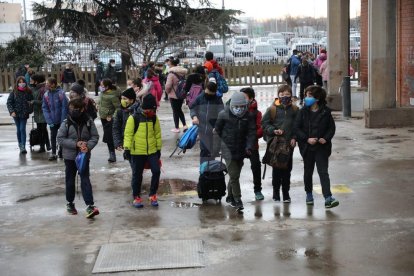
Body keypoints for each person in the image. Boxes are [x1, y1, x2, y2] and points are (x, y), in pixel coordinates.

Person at [293, 85, 339, 208]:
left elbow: (331, 128)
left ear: (317, 98)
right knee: (308, 172)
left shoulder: (325, 111)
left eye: (309, 96)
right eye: (306, 95)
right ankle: (309, 194)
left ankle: (328, 197)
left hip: (322, 148)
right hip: (307, 148)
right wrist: (307, 139)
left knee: (323, 172)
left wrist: (326, 138)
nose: (306, 98)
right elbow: (296, 128)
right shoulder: (302, 111)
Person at [56, 98, 100, 218]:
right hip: (69, 157)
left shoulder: (88, 121)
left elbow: (95, 137)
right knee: (70, 180)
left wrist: (88, 146)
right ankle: (70, 203)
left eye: (76, 109)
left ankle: (90, 205)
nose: (73, 111)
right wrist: (75, 144)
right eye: (71, 109)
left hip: (83, 156)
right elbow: (60, 139)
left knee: (85, 179)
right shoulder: (66, 122)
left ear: (82, 109)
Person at [215, 92, 256, 210]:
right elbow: (217, 131)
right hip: (228, 149)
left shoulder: (248, 116)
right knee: (234, 175)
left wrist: (249, 147)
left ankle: (229, 196)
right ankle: (238, 199)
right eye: (236, 107)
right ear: (231, 106)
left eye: (242, 107)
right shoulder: (223, 114)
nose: (239, 109)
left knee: (235, 175)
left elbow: (251, 133)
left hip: (242, 150)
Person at [123, 94, 162, 208]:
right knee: (137, 175)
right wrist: (127, 149)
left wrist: (158, 149)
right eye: (152, 109)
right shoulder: (133, 118)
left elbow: (157, 135)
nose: (153, 111)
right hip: (137, 152)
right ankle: (136, 197)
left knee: (156, 171)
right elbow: (128, 135)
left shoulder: (154, 118)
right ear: (146, 108)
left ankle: (153, 194)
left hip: (152, 150)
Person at [261, 84, 298, 202]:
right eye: (282, 95)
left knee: (287, 169)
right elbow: (264, 124)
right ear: (278, 96)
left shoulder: (295, 110)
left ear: (291, 95)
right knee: (277, 169)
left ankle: (286, 193)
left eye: (287, 94)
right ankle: (276, 192)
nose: (285, 97)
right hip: (275, 144)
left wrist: (294, 137)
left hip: (288, 144)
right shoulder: (272, 109)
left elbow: (298, 126)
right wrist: (273, 130)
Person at [190, 80, 224, 164]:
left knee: (212, 151)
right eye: (207, 92)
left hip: (213, 130)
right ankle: (203, 170)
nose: (208, 95)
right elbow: (193, 108)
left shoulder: (218, 100)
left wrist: (217, 127)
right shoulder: (200, 97)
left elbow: (221, 115)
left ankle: (211, 169)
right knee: (204, 150)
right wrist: (194, 116)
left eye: (210, 94)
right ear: (205, 89)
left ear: (214, 92)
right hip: (202, 129)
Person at [240, 87, 264, 201]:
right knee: (235, 169)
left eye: (244, 97)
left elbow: (261, 129)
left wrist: (252, 136)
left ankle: (258, 190)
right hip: (239, 144)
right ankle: (233, 193)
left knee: (256, 167)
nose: (241, 99)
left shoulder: (257, 113)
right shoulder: (236, 110)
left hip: (253, 145)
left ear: (251, 98)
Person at [42, 77, 68, 161]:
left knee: (61, 136)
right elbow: (45, 108)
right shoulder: (46, 95)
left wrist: (63, 120)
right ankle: (53, 153)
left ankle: (61, 151)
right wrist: (49, 120)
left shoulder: (61, 94)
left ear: (53, 84)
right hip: (52, 121)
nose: (46, 85)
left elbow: (64, 107)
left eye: (47, 83)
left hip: (61, 120)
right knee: (53, 136)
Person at [7, 76, 34, 154]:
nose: (21, 83)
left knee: (22, 129)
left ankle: (23, 146)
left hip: (24, 114)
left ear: (25, 82)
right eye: (20, 82)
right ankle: (20, 144)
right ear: (17, 83)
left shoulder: (28, 91)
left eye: (23, 82)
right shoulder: (14, 92)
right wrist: (12, 111)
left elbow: (31, 101)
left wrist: (29, 110)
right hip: (16, 114)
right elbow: (9, 102)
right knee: (18, 129)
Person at [112, 87, 139, 160]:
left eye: (125, 99)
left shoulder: (139, 110)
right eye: (121, 98)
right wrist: (118, 143)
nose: (122, 101)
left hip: (139, 144)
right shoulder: (120, 112)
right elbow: (116, 128)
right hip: (127, 144)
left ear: (131, 100)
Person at [98, 78, 120, 163]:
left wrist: (111, 116)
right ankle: (111, 152)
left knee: (109, 137)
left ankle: (112, 154)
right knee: (107, 136)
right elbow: (101, 101)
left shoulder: (113, 95)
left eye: (102, 86)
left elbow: (118, 108)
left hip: (109, 119)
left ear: (107, 86)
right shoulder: (102, 93)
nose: (101, 87)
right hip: (103, 117)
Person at [165, 57, 188, 133]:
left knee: (175, 111)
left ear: (171, 63)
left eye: (169, 62)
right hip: (181, 94)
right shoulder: (182, 72)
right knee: (179, 110)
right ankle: (184, 125)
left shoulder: (171, 73)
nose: (168, 64)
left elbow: (168, 86)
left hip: (173, 95)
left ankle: (177, 127)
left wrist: (167, 92)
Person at [30, 73, 50, 153]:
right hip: (37, 112)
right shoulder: (33, 89)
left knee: (43, 129)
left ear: (36, 81)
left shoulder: (43, 89)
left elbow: (44, 102)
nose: (30, 81)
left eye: (32, 80)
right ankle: (42, 146)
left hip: (43, 112)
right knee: (39, 130)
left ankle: (47, 145)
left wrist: (34, 102)